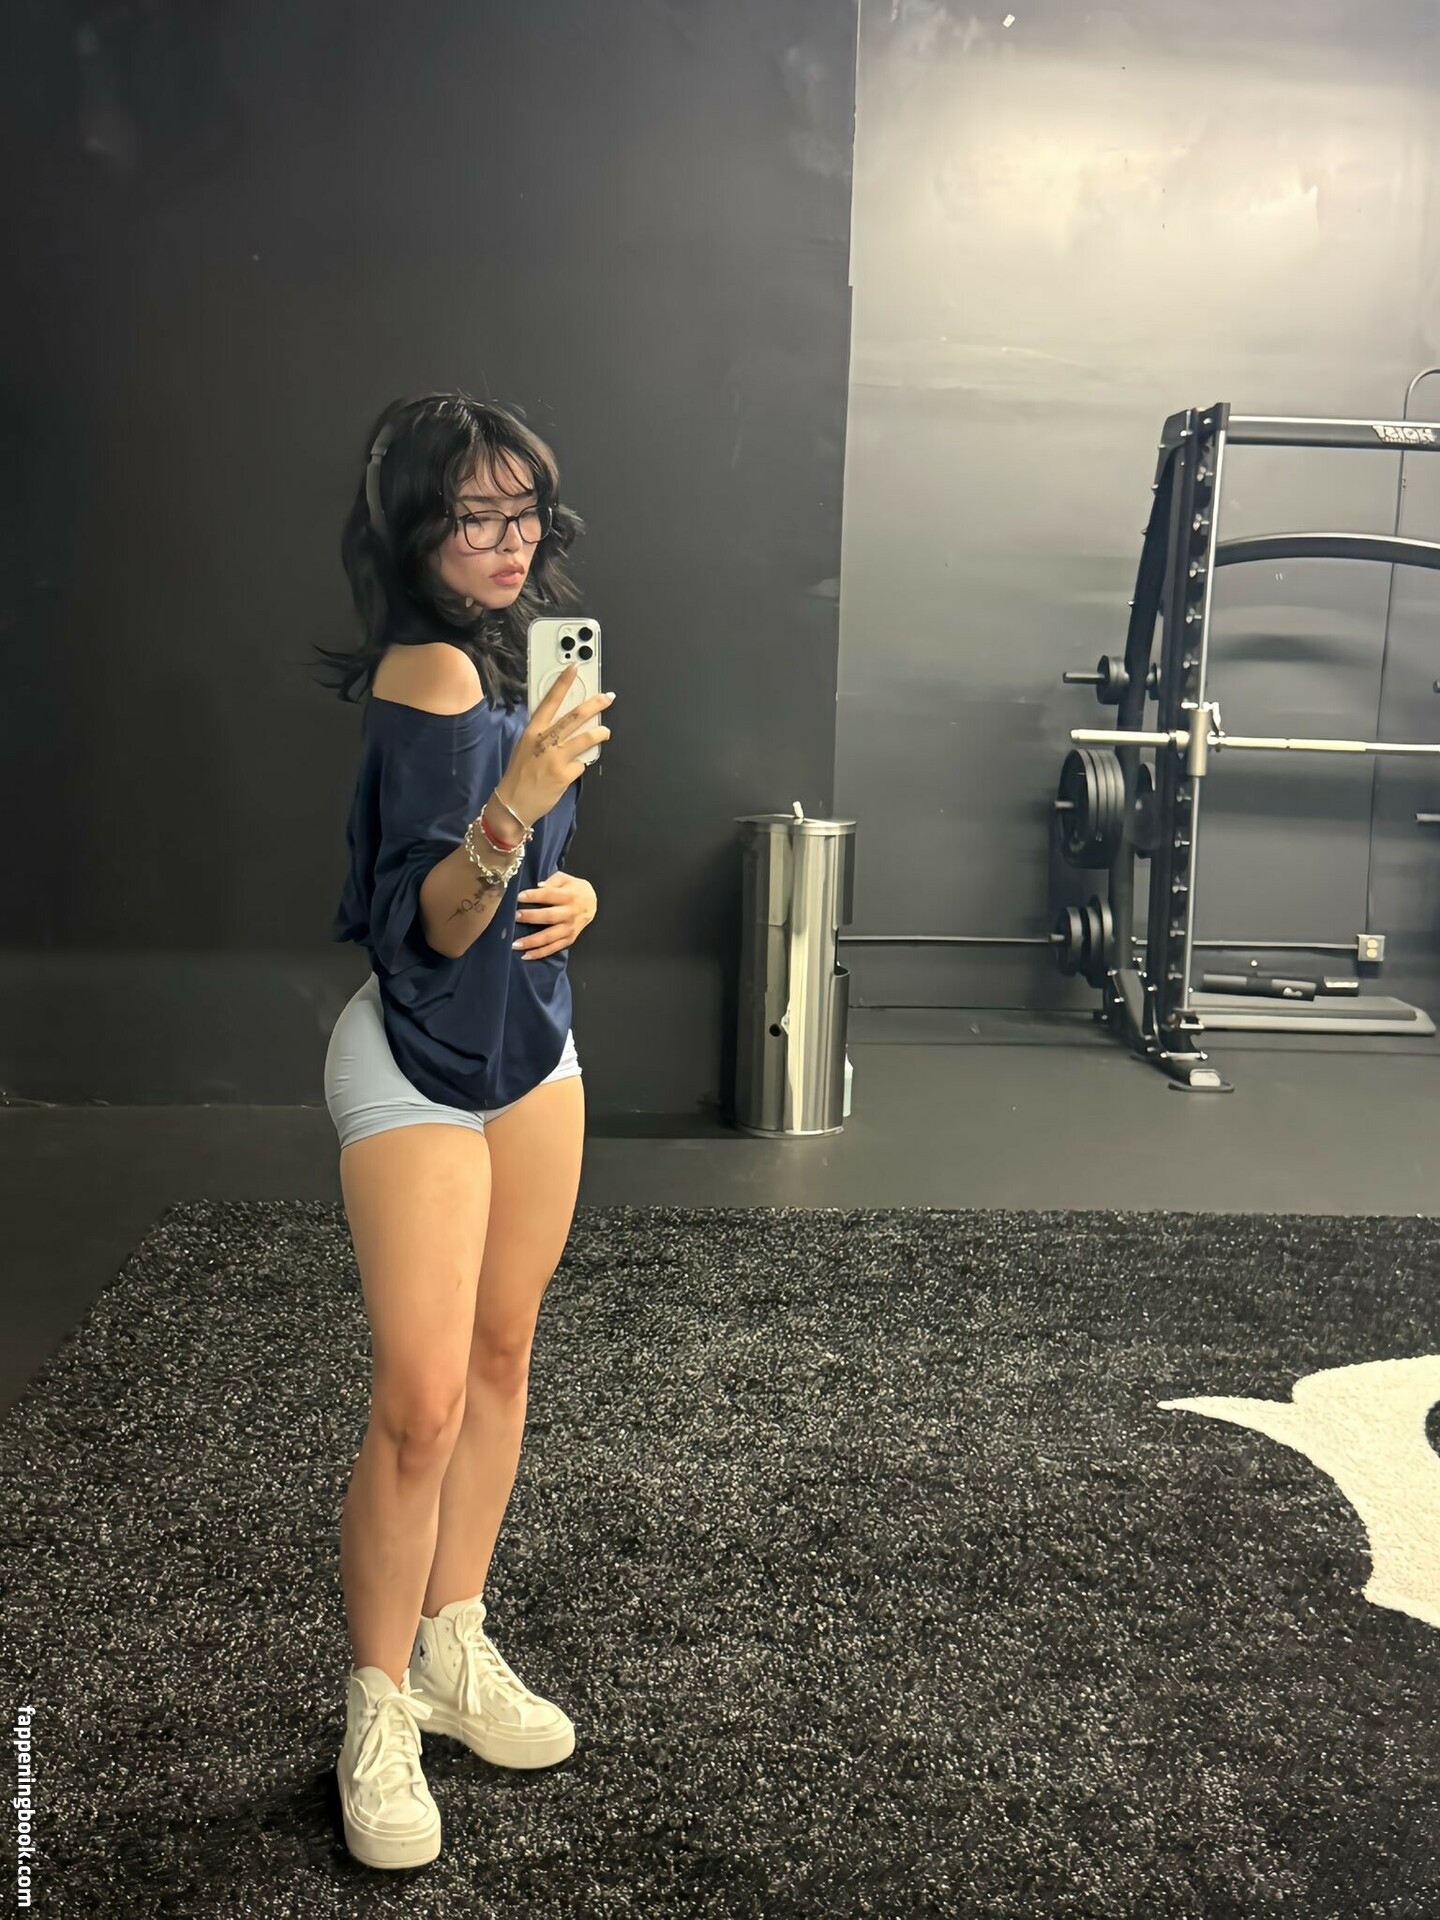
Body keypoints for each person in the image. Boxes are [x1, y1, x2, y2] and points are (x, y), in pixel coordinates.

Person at [314, 392, 617, 1870]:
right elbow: (433, 923)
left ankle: (452, 1644)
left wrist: (581, 888)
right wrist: (518, 802)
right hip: (421, 1056)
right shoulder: (431, 671)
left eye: (524, 512)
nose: (508, 541)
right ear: (417, 530)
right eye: (474, 516)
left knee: (503, 1357)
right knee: (422, 1400)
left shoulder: (518, 655)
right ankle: (376, 1704)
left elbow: (528, 878)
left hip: (533, 1054)